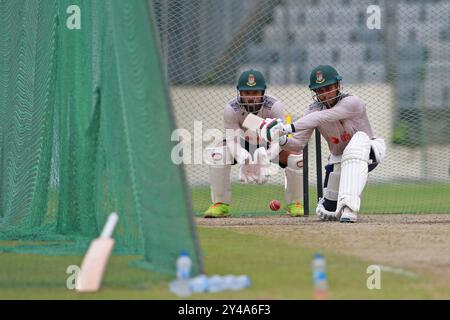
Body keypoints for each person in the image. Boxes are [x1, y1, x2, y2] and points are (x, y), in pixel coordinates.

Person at [258, 65, 386, 223]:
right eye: (319, 90)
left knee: (358, 141)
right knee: (327, 211)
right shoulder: (314, 110)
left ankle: (349, 208)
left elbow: (323, 117)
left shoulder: (352, 102)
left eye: (328, 88)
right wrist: (281, 139)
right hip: (338, 159)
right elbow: (297, 144)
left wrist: (285, 128)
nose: (324, 94)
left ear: (338, 86)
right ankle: (336, 206)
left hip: (369, 151)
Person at [204, 69, 304, 218]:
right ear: (240, 93)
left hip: (270, 144)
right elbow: (232, 139)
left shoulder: (275, 106)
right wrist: (244, 157)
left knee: (297, 159)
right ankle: (220, 204)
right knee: (218, 154)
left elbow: (279, 139)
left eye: (255, 92)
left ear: (263, 92)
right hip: (242, 143)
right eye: (246, 93)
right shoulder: (231, 109)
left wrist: (266, 156)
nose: (251, 97)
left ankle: (295, 203)